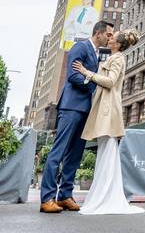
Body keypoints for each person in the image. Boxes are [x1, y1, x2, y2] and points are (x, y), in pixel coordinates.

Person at [40, 20, 114, 214]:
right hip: (72, 107)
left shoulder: (98, 54)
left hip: (86, 110)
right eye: (108, 34)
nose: (110, 38)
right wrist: (94, 83)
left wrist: (91, 78)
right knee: (59, 151)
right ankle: (47, 198)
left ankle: (65, 196)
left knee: (75, 155)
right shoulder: (80, 47)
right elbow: (73, 76)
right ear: (98, 33)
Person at [74, 30, 143, 216]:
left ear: (118, 44)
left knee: (108, 150)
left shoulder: (118, 58)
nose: (109, 38)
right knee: (105, 151)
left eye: (113, 37)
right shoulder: (113, 57)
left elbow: (111, 81)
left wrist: (86, 72)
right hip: (105, 105)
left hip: (108, 107)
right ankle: (103, 195)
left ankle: (106, 197)